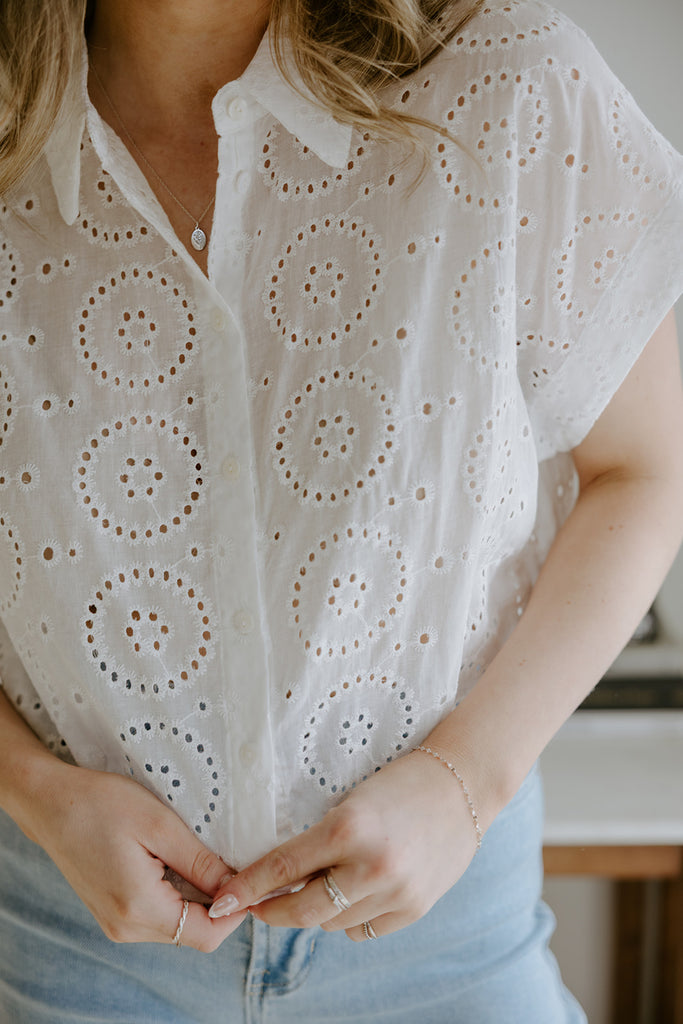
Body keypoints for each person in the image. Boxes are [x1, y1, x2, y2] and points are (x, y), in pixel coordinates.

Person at [0, 0, 682, 1020]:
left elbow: (644, 471)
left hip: (447, 951)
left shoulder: (511, 82)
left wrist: (464, 783)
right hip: (69, 943)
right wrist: (34, 791)